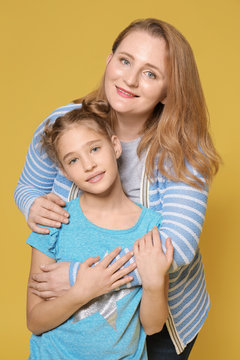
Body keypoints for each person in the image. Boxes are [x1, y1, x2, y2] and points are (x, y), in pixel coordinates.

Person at [15, 18, 220, 359]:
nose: (130, 79)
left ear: (169, 91)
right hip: (71, 324)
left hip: (162, 320)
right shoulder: (63, 125)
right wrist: (32, 206)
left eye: (151, 73)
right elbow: (27, 188)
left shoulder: (185, 151)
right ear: (109, 61)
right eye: (125, 61)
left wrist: (81, 276)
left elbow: (178, 248)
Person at [26, 101, 173, 359]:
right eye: (73, 160)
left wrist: (152, 284)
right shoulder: (54, 221)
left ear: (115, 146)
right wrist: (83, 291)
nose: (88, 165)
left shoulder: (152, 227)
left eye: (94, 148)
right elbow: (35, 320)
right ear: (64, 171)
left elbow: (152, 326)